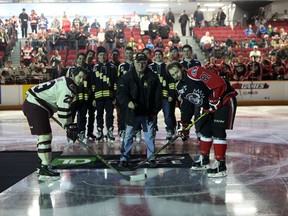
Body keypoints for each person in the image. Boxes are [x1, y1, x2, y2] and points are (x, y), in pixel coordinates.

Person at [166, 62, 237, 178]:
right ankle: (204, 159)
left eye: (177, 72)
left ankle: (221, 165)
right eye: (173, 75)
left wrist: (214, 100)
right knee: (204, 130)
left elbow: (218, 83)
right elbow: (186, 107)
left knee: (218, 131)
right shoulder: (180, 87)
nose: (176, 76)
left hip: (224, 100)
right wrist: (184, 124)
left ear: (181, 68)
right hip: (208, 107)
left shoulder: (195, 72)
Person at [22, 66, 87, 180]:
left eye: (83, 78)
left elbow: (61, 107)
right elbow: (63, 109)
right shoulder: (69, 87)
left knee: (44, 136)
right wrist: (68, 125)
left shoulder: (65, 81)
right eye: (80, 77)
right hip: (36, 105)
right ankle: (44, 169)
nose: (81, 81)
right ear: (72, 75)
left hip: (36, 104)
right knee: (45, 136)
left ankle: (43, 164)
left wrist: (68, 124)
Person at [117, 52, 162, 168]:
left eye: (143, 62)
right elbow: (121, 93)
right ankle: (124, 158)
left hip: (148, 113)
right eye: (138, 62)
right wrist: (128, 103)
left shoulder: (153, 77)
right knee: (128, 136)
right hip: (132, 113)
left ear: (146, 63)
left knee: (149, 136)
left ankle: (151, 158)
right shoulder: (126, 77)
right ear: (134, 63)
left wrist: (154, 112)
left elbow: (158, 97)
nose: (141, 65)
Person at [148, 49, 176, 142]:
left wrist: (171, 94)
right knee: (153, 115)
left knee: (168, 115)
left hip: (165, 96)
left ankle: (169, 130)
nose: (158, 56)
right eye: (156, 54)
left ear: (162, 56)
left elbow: (172, 82)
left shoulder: (167, 67)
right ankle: (153, 130)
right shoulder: (150, 67)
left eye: (159, 54)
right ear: (154, 56)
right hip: (153, 97)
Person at [91, 46, 117, 142]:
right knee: (99, 115)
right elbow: (93, 84)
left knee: (110, 114)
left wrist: (114, 96)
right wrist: (93, 98)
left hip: (109, 97)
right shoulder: (95, 68)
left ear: (107, 56)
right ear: (98, 56)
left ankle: (109, 131)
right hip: (98, 97)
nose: (102, 56)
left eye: (104, 55)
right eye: (100, 55)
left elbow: (115, 83)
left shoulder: (112, 67)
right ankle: (100, 131)